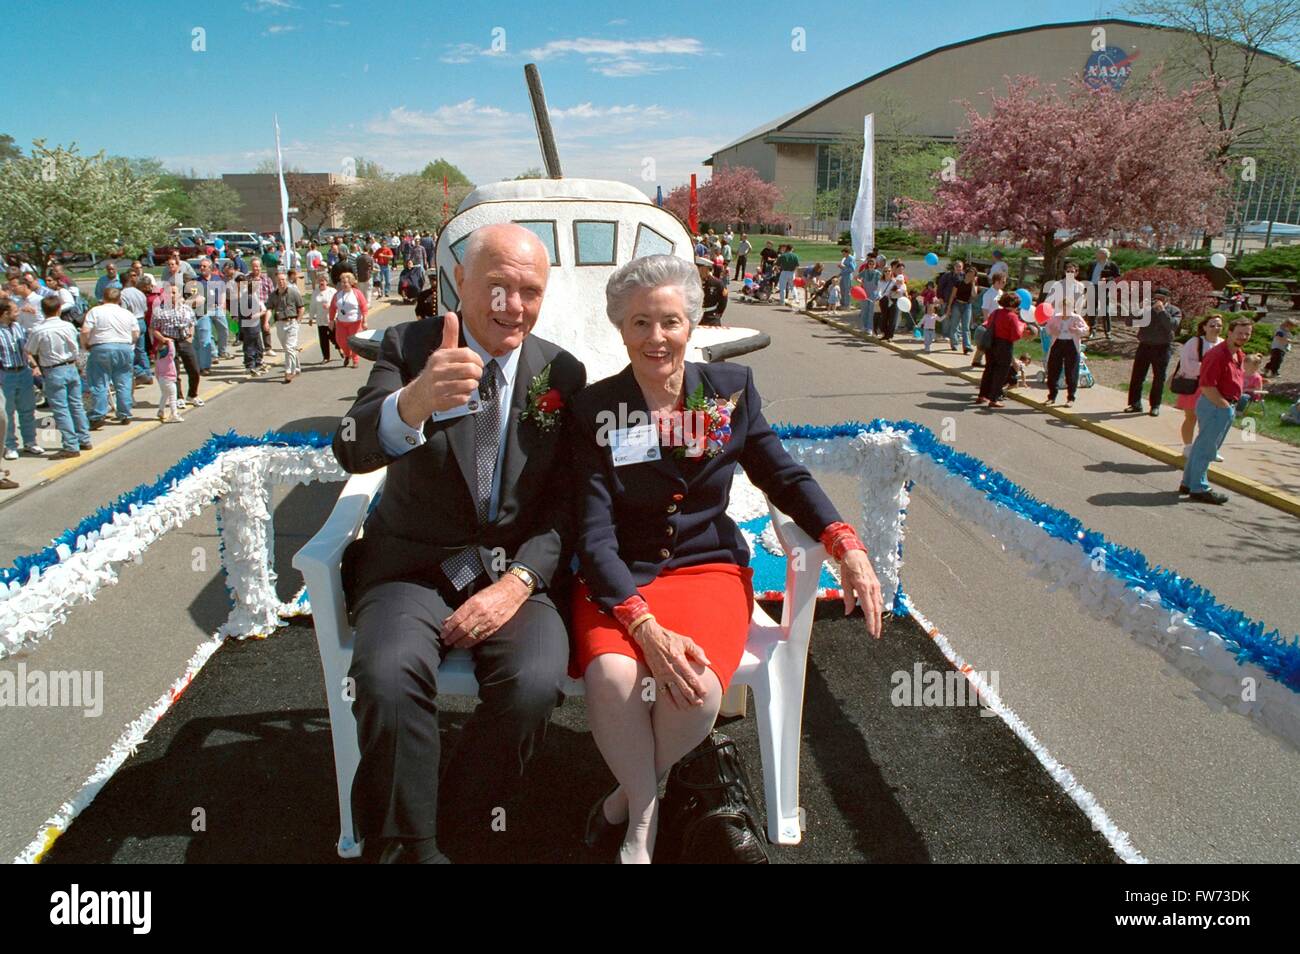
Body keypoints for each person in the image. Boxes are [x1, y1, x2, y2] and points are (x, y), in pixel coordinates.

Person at [568, 254, 883, 864]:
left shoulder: (729, 392)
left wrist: (844, 540)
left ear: (692, 324)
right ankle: (644, 818)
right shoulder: (594, 410)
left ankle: (623, 805)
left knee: (697, 692)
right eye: (639, 323)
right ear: (620, 328)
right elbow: (592, 531)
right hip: (618, 576)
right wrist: (640, 622)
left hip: (707, 568)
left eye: (670, 321)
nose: (655, 337)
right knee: (611, 677)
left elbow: (783, 476)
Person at [333, 223, 587, 864]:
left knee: (533, 683)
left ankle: (462, 817)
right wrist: (413, 402)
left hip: (513, 572)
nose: (514, 305)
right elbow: (350, 445)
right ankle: (411, 846)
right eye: (497, 287)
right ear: (460, 284)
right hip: (411, 568)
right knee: (387, 678)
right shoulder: (409, 345)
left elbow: (564, 501)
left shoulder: (561, 371)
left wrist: (521, 581)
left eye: (530, 290)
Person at [1181, 317, 1253, 504]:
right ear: (1229, 332)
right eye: (1240, 333)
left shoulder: (1238, 354)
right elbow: (1206, 386)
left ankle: (1188, 483)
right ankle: (1200, 488)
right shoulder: (1217, 355)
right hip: (1215, 406)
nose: (1243, 337)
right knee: (1207, 449)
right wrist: (1225, 407)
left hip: (1223, 405)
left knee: (1200, 447)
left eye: (1247, 334)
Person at [24, 296, 90, 458]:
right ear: (59, 309)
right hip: (70, 365)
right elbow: (76, 347)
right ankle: (84, 438)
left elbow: (30, 349)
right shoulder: (67, 326)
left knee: (61, 409)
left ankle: (70, 445)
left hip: (53, 369)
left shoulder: (39, 330)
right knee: (76, 404)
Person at [81, 287, 140, 428]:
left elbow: (85, 331)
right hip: (124, 347)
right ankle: (125, 413)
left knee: (99, 382)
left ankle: (98, 414)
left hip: (101, 347)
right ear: (119, 299)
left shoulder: (95, 311)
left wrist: (86, 345)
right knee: (123, 382)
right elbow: (136, 333)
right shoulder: (127, 314)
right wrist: (129, 343)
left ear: (103, 298)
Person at [1172, 316, 1224, 458]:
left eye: (1219, 325)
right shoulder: (1194, 342)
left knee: (1209, 420)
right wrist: (1208, 368)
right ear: (1204, 327)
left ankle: (1208, 448)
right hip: (1195, 385)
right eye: (1212, 325)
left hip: (1214, 387)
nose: (1216, 328)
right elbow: (1187, 365)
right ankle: (1188, 447)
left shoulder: (1223, 344)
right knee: (1191, 417)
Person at [1124, 288, 1181, 416]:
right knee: (1137, 376)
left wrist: (1162, 311)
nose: (1158, 300)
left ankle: (1155, 405)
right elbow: (1129, 322)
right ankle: (1135, 404)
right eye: (1156, 297)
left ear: (1168, 299)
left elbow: (1172, 326)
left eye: (1161, 298)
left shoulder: (1174, 311)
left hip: (1162, 347)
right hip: (1145, 346)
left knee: (1159, 378)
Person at [0, 300, 44, 459]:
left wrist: (34, 366)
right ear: (5, 313)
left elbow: (26, 350)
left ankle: (30, 442)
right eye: (15, 311)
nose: (18, 313)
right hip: (6, 375)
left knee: (27, 410)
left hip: (24, 372)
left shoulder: (18, 327)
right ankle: (10, 446)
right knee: (7, 413)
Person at [151, 282, 204, 409]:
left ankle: (192, 394)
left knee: (194, 369)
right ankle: (178, 397)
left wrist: (190, 337)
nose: (172, 295)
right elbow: (153, 328)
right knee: (174, 372)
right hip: (169, 342)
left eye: (174, 292)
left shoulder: (186, 308)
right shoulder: (159, 310)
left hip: (185, 340)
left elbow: (192, 323)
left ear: (179, 294)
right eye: (169, 292)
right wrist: (163, 339)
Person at [976, 292, 1034, 408]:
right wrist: (1022, 327)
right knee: (1001, 372)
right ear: (1013, 304)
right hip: (1004, 345)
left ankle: (982, 395)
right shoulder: (1012, 316)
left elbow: (988, 325)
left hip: (991, 343)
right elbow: (1015, 335)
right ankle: (994, 398)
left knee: (989, 369)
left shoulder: (995, 312)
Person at [1043, 304, 1090, 407]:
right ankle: (1051, 397)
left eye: (1068, 308)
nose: (1065, 311)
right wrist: (1052, 331)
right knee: (1053, 370)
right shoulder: (1056, 317)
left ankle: (1071, 398)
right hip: (1058, 343)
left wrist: (1077, 330)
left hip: (1071, 345)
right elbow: (1047, 328)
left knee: (1071, 372)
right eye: (1063, 308)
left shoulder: (1076, 318)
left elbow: (1086, 330)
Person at [267, 270, 305, 383]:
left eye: (283, 279)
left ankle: (289, 371)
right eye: (279, 280)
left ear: (286, 280)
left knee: (289, 348)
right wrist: (266, 321)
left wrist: (298, 321)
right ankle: (297, 368)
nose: (281, 282)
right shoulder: (273, 295)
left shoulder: (293, 292)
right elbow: (269, 308)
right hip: (280, 324)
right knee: (289, 348)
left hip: (292, 322)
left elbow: (301, 307)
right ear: (276, 281)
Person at [229, 274, 268, 376]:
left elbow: (259, 305)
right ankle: (250, 365)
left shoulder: (251, 295)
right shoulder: (244, 295)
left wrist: (260, 312)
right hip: (247, 324)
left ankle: (258, 362)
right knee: (249, 345)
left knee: (257, 344)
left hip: (253, 325)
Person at [329, 273, 368, 368]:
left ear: (351, 283)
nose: (344, 284)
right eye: (342, 282)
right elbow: (332, 308)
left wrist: (365, 321)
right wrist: (331, 320)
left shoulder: (357, 293)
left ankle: (355, 360)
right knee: (340, 341)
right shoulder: (337, 295)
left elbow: (364, 307)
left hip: (355, 322)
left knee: (354, 342)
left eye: (346, 282)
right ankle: (347, 355)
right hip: (341, 323)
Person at [1087, 248, 1121, 339]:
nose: (1099, 255)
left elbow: (1117, 276)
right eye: (1098, 253)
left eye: (1101, 253)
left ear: (1106, 255)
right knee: (1092, 310)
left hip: (1104, 288)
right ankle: (1092, 331)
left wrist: (1107, 279)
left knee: (1105, 311)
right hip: (1092, 287)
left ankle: (1108, 332)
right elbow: (1088, 275)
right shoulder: (1093, 264)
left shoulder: (1112, 265)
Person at [947, 264, 977, 353]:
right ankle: (954, 344)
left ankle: (967, 346)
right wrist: (949, 307)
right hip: (957, 304)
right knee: (954, 325)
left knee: (966, 327)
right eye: (969, 274)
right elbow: (952, 295)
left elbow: (974, 295)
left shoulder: (973, 285)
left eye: (972, 275)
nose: (970, 276)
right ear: (966, 274)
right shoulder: (959, 282)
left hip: (967, 305)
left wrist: (973, 283)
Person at [309, 273, 337, 363]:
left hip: (331, 318)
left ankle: (339, 347)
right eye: (320, 280)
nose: (321, 282)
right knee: (323, 339)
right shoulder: (315, 292)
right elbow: (312, 305)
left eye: (323, 280)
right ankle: (326, 357)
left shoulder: (332, 291)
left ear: (326, 282)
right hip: (321, 319)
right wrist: (311, 317)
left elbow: (337, 303)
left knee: (334, 336)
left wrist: (329, 306)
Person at [154, 337, 181, 423]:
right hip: (170, 380)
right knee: (173, 397)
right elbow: (172, 351)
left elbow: (156, 373)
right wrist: (170, 341)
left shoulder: (158, 360)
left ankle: (161, 411)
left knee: (164, 395)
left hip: (162, 380)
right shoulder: (169, 358)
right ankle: (174, 414)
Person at [696, 257, 728, 326]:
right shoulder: (693, 282)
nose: (697, 270)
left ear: (705, 269)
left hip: (711, 318)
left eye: (699, 268)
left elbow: (723, 301)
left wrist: (717, 314)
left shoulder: (717, 283)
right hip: (696, 317)